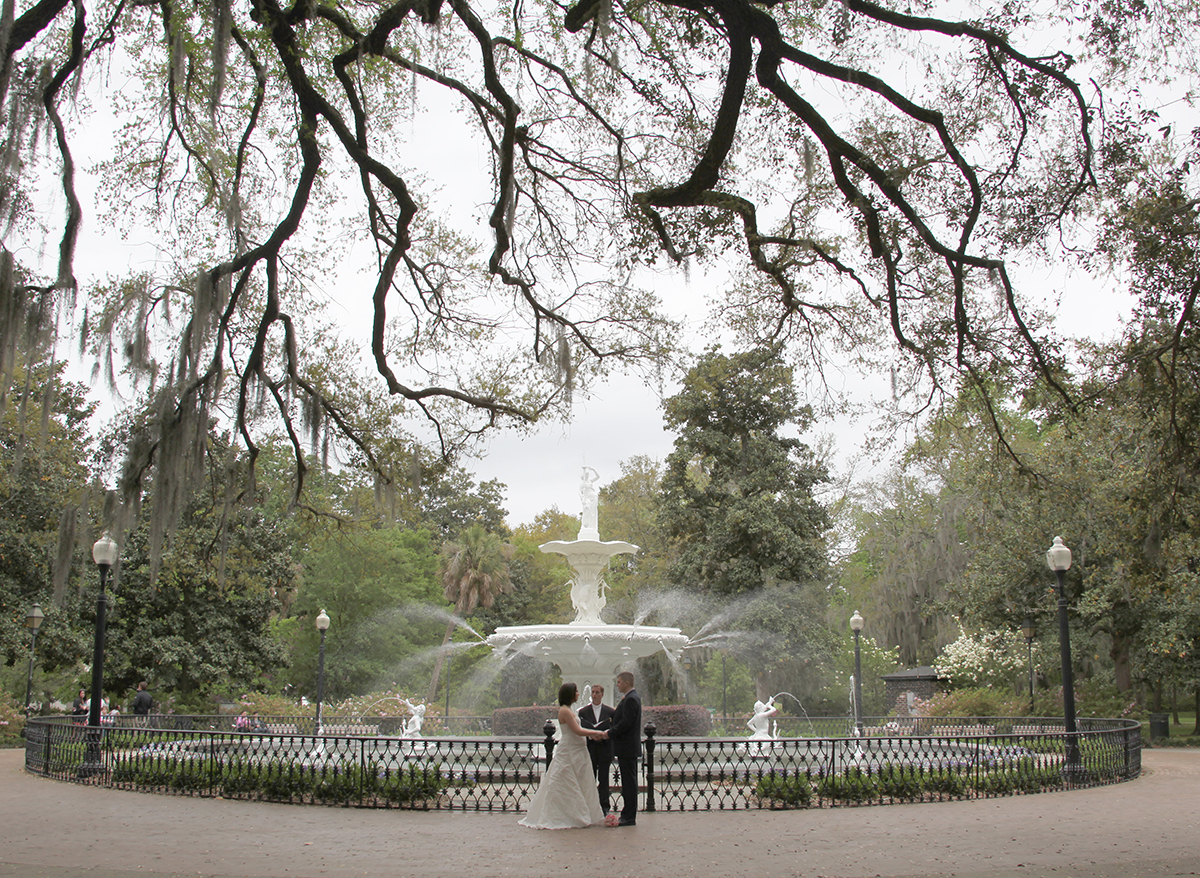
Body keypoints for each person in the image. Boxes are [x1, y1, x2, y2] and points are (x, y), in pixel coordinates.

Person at [519, 683, 607, 830]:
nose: (579, 694)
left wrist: (592, 736)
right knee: (565, 781)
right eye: (576, 691)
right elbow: (577, 730)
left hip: (578, 750)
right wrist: (596, 733)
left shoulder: (570, 710)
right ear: (570, 694)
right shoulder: (565, 711)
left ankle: (582, 812)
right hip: (569, 750)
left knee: (580, 782)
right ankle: (569, 815)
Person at [600, 670, 642, 826]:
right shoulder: (631, 698)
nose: (617, 685)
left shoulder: (631, 699)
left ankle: (629, 816)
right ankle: (627, 814)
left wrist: (609, 734)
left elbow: (626, 723)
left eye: (618, 682)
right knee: (628, 782)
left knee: (629, 783)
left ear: (626, 682)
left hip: (628, 748)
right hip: (627, 748)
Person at [578, 683, 615, 814]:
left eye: (597, 692)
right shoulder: (583, 712)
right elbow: (580, 729)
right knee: (590, 777)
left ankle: (604, 806)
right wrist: (591, 736)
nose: (594, 695)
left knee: (604, 778)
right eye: (592, 692)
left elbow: (614, 729)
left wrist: (603, 735)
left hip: (605, 748)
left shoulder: (610, 712)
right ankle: (589, 805)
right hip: (591, 748)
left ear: (602, 694)